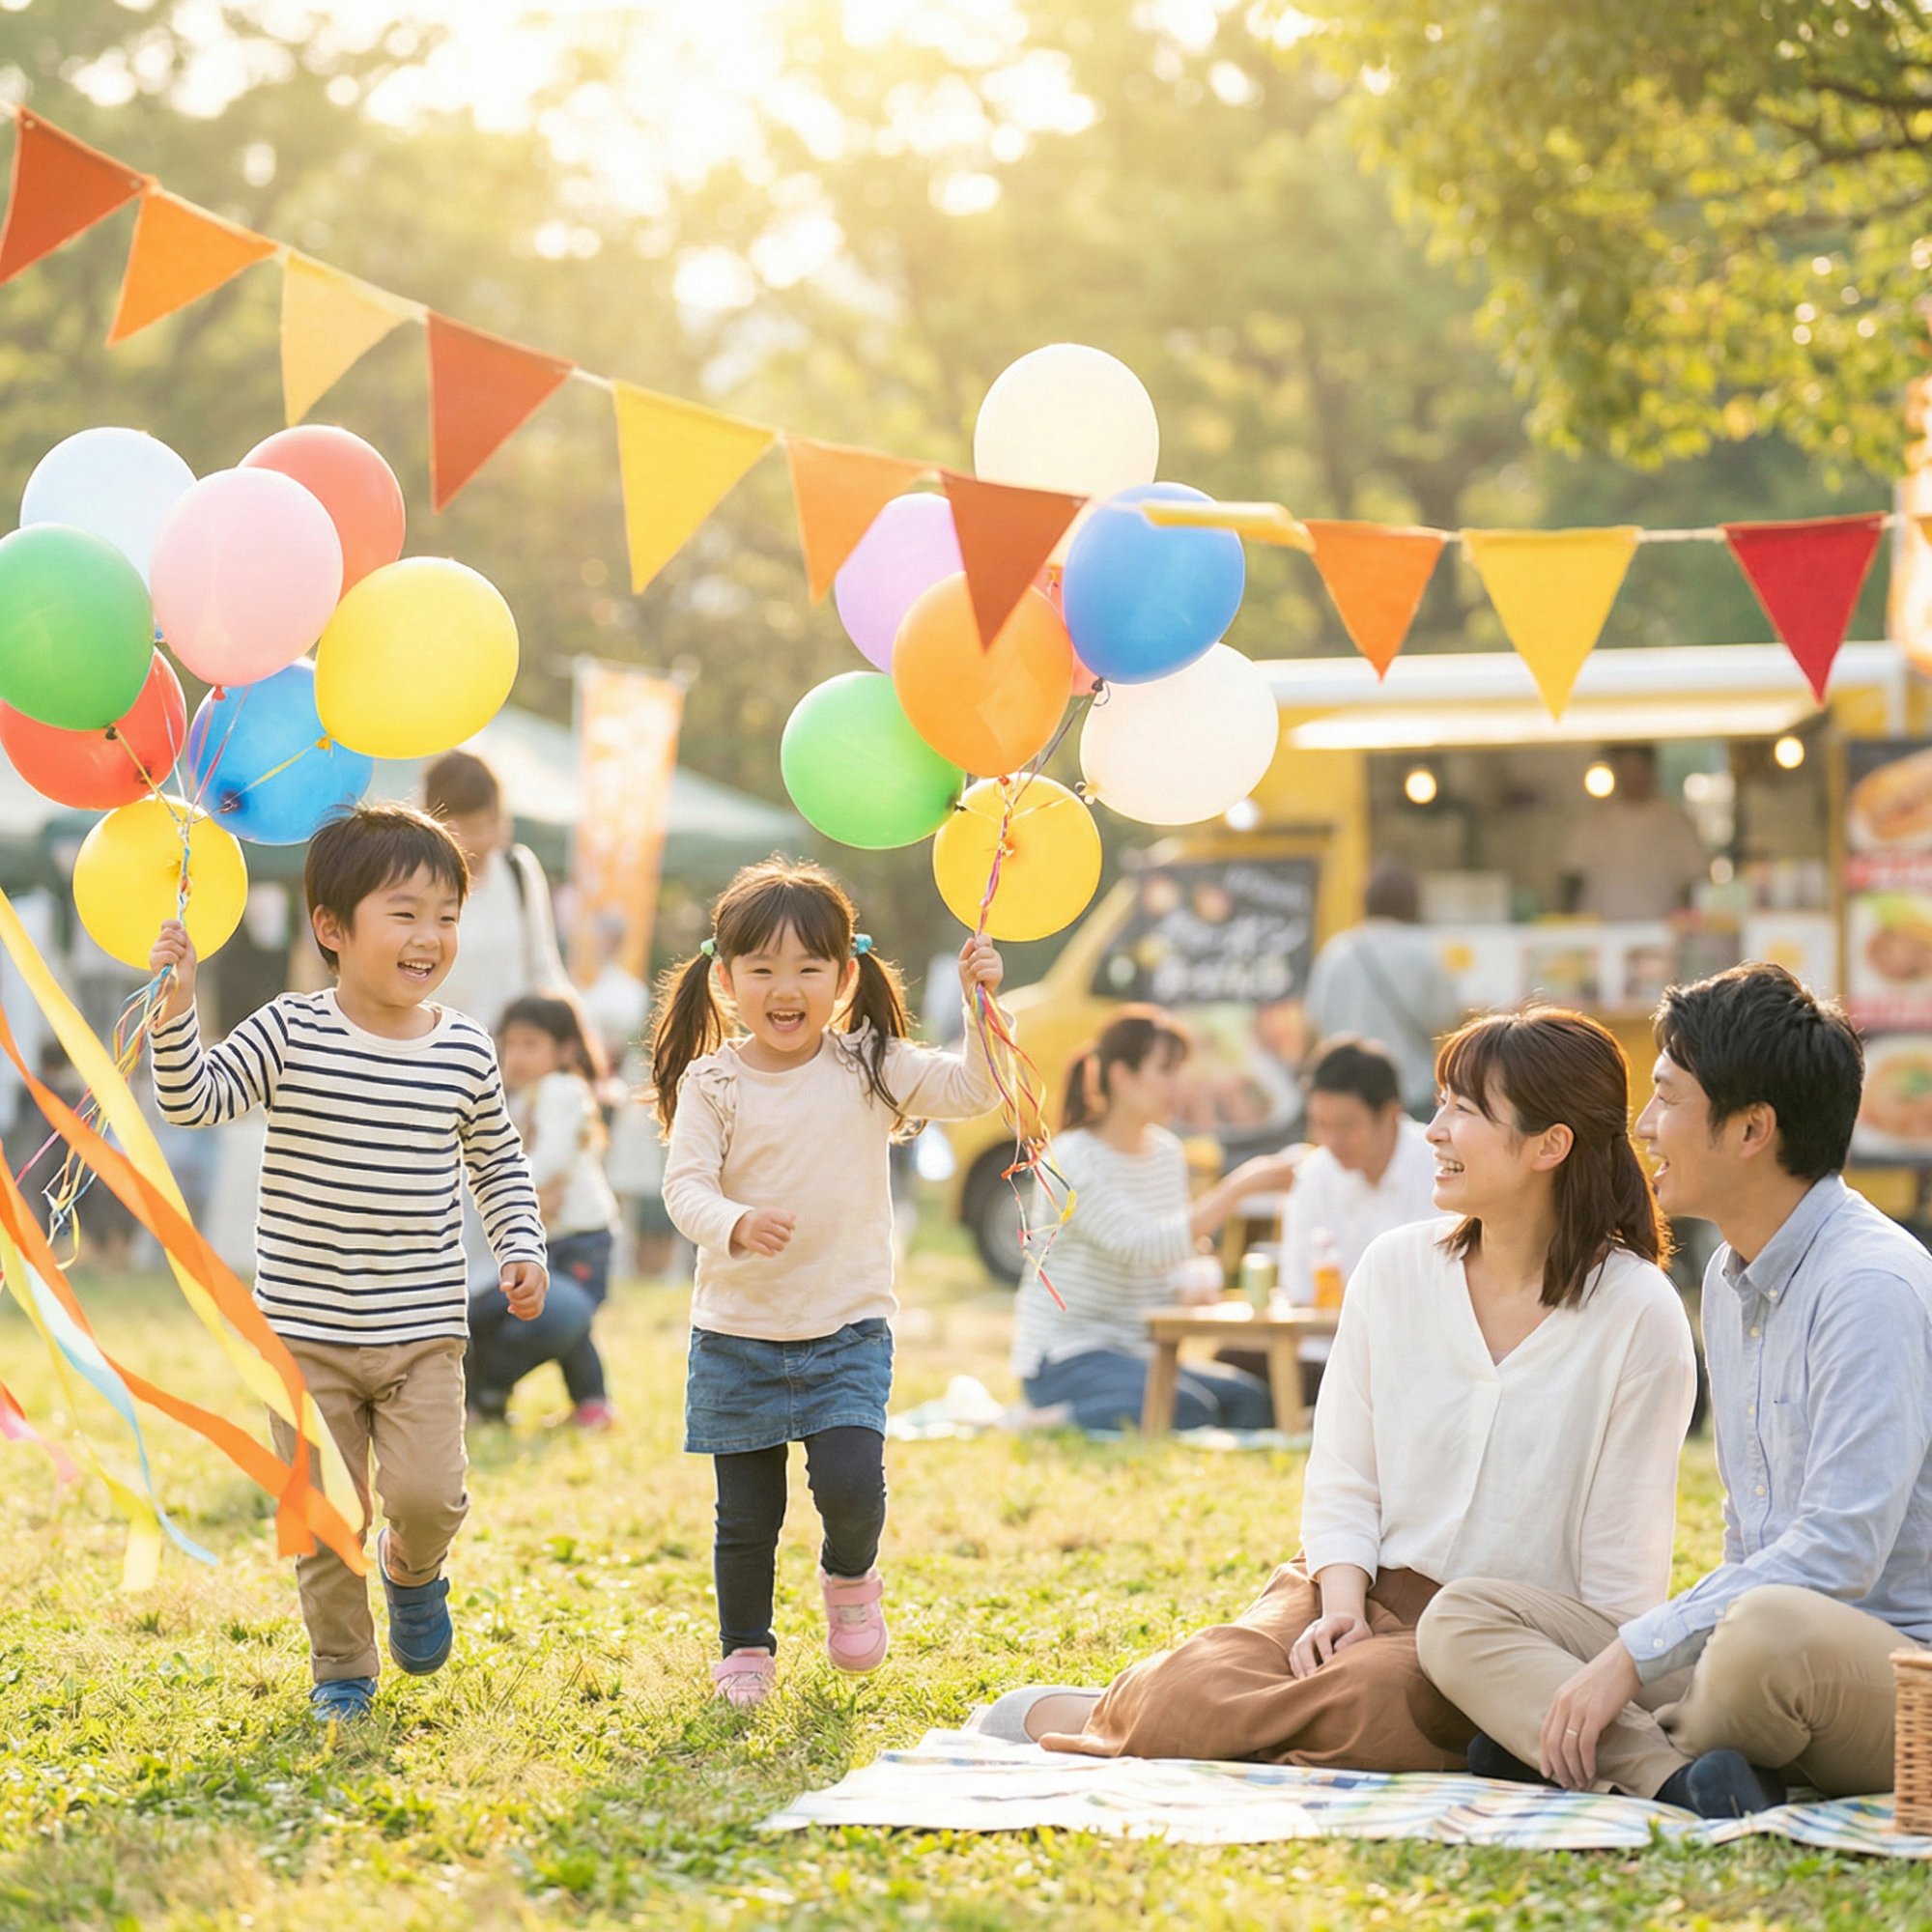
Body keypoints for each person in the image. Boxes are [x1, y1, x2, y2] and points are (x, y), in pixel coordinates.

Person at [975, 1007, 1695, 1769]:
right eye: (1442, 1103)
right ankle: (1155, 1706)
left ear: (1551, 1145)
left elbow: (1621, 1571)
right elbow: (1345, 1474)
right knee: (1212, 1677)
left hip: (1492, 1632)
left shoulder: (1636, 1312)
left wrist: (1577, 1681)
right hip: (1355, 1580)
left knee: (1372, 1703)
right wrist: (1343, 1606)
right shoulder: (1396, 1269)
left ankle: (1192, 1719)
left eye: (1465, 1111)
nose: (1435, 1132)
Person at [1418, 964, 1932, 1817]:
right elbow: (1749, 1530)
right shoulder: (1732, 1277)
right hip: (1756, 1649)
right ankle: (1675, 1775)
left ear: (1751, 1130)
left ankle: (1585, 1742)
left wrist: (1628, 1659)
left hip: (1895, 1673)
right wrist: (1645, 1651)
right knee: (1462, 1618)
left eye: (1667, 1099)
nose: (1645, 1127)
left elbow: (1840, 1551)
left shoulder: (1870, 1285)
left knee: (1758, 1638)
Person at [148, 804, 548, 1727]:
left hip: (420, 1329)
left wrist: (521, 1243)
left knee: (427, 1496)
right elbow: (194, 1101)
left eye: (446, 914)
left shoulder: (463, 1048)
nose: (430, 936)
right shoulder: (291, 1031)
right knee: (329, 1520)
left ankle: (415, 1570)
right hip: (303, 1334)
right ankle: (343, 1668)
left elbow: (497, 1159)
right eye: (404, 912)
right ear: (332, 927)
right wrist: (176, 1014)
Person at [655, 858, 1006, 1711]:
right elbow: (684, 1187)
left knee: (852, 1482)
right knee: (746, 1516)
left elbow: (973, 1089)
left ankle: (851, 1576)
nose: (786, 987)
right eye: (763, 969)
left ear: (845, 977)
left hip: (846, 1325)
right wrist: (733, 1220)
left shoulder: (869, 1065)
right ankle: (746, 1648)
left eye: (809, 967)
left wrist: (981, 1004)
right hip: (738, 1329)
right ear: (725, 977)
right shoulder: (714, 1081)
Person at [1009, 1007, 1301, 1435]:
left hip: (1140, 1353)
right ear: (1122, 1076)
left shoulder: (1166, 1153)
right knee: (1184, 1408)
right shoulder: (1069, 1159)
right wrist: (1239, 1187)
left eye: (1180, 1070)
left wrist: (1196, 1276)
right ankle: (1042, 1421)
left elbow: (1172, 1251)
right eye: (1166, 1070)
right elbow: (1141, 1244)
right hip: (1067, 1355)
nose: (1179, 1085)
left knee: (1250, 1402)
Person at [1216, 1036, 1438, 1407]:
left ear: (1390, 1113)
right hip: (1325, 1352)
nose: (1333, 1140)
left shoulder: (1439, 1168)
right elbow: (1297, 1288)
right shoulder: (1315, 1174)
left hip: (1413, 1355)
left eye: (1347, 1126)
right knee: (1230, 1368)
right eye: (1321, 1124)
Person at [468, 993, 622, 1432]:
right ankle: (590, 1404)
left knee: (566, 1318)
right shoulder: (521, 1098)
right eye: (509, 1045)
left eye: (530, 1045)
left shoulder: (562, 1088)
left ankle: (591, 1402)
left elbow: (551, 1157)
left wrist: (512, 1191)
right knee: (552, 1317)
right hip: (547, 1236)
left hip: (580, 1235)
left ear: (565, 1050)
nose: (515, 1056)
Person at [422, 751, 567, 1032]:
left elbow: (544, 965)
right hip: (436, 1048)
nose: (476, 841)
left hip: (507, 1052)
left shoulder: (517, 871)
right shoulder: (414, 880)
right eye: (462, 829)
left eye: (486, 825)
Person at [1303, 861, 1462, 1116]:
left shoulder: (1337, 950)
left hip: (1347, 1094)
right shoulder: (1425, 951)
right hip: (1410, 1090)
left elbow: (1314, 1017)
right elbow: (1446, 1019)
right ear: (1412, 900)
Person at [1560, 744, 1709, 922]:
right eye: (1626, 770)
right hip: (1603, 933)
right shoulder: (1594, 821)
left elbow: (1695, 879)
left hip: (1661, 932)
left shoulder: (1675, 822)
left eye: (1637, 770)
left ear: (1651, 771)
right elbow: (1572, 876)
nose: (1632, 778)